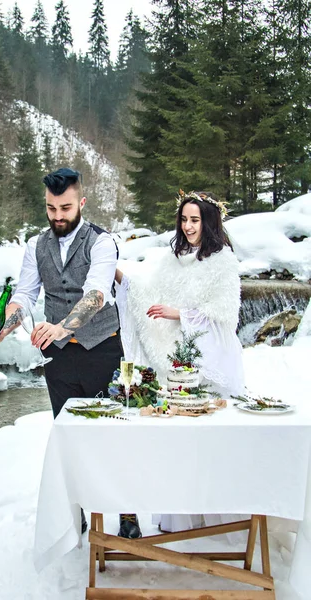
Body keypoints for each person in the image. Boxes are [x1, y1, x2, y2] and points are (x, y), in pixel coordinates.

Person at [0, 167, 142, 539]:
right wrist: (3, 326)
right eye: (51, 208)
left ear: (81, 202)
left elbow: (97, 294)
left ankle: (128, 514)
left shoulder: (101, 242)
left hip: (103, 349)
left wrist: (61, 327)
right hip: (59, 357)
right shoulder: (37, 245)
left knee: (115, 434)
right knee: (69, 435)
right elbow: (24, 294)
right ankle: (79, 509)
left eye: (65, 207)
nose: (58, 216)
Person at [116, 190, 245, 534]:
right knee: (180, 447)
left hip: (209, 366)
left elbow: (225, 317)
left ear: (209, 222)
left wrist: (181, 314)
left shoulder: (223, 262)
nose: (188, 227)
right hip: (177, 365)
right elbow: (150, 292)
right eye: (184, 219)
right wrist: (123, 282)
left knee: (209, 445)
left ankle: (216, 519)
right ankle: (182, 516)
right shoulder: (173, 259)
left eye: (195, 220)